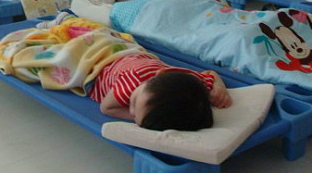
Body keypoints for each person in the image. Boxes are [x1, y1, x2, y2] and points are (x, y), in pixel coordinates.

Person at [89, 52, 232, 130]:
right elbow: (106, 107)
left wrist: (143, 119)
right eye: (134, 102)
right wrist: (220, 88)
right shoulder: (132, 82)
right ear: (159, 75)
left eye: (135, 114)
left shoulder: (191, 86)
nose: (131, 111)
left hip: (136, 58)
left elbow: (208, 74)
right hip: (108, 63)